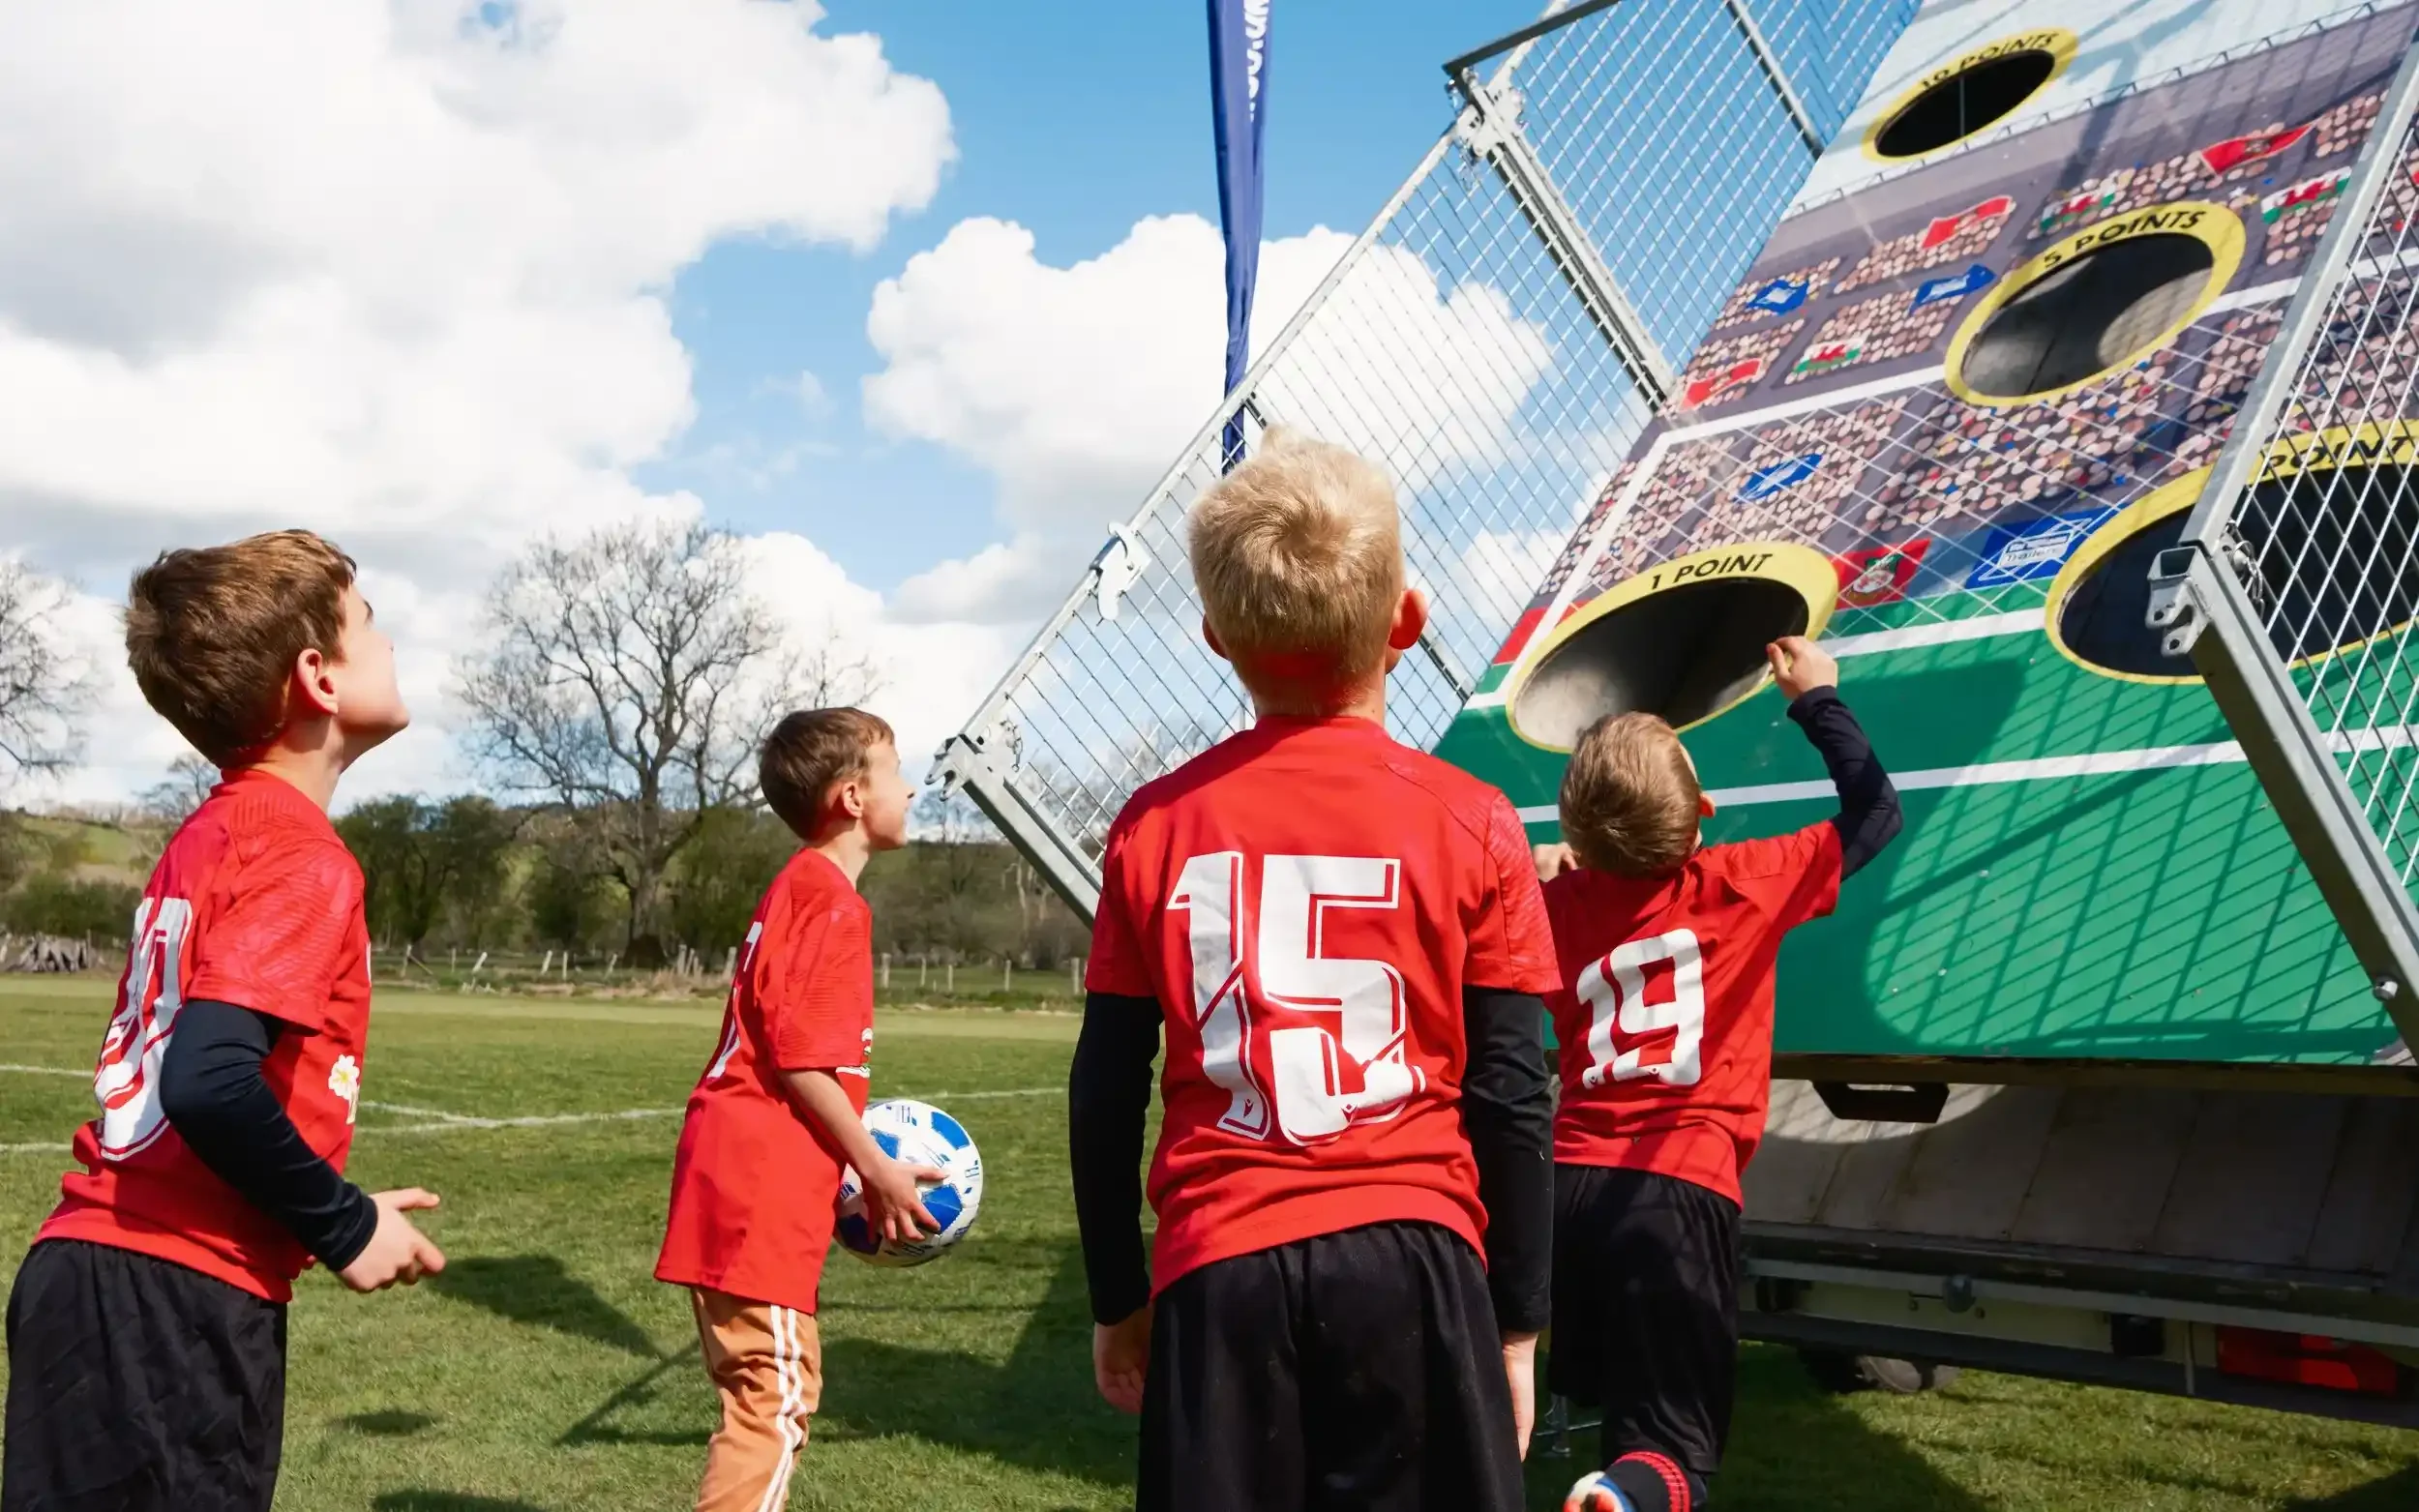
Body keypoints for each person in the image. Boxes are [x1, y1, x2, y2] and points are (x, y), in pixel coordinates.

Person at [1069, 431, 1558, 1512]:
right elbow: (1513, 1091)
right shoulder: (1473, 822)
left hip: (1221, 1270)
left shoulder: (1155, 825)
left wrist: (1117, 1292)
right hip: (1415, 1260)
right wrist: (1516, 1320)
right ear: (1408, 623)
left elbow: (1105, 1086)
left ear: (1213, 637)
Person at [3, 530, 444, 1512]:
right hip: (172, 1307)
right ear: (317, 678)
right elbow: (205, 1078)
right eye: (368, 623)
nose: (389, 639)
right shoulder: (300, 853)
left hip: (97, 1279)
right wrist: (341, 1224)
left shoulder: (216, 831)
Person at [1540, 637, 1902, 1512]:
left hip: (1567, 1190)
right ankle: (1625, 1498)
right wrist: (1817, 697)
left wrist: (1563, 867)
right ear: (1701, 809)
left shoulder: (1552, 907)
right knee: (1670, 1455)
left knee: (1584, 1401)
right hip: (1676, 1192)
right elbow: (1874, 812)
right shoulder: (1742, 881)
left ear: (1577, 833)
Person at [654, 707, 944, 1512]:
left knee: (761, 1395)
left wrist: (846, 1180)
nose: (912, 787)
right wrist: (877, 1167)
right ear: (853, 796)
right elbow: (802, 1063)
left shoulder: (796, 885)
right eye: (896, 773)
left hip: (732, 1178)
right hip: (755, 1192)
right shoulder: (833, 905)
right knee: (774, 1405)